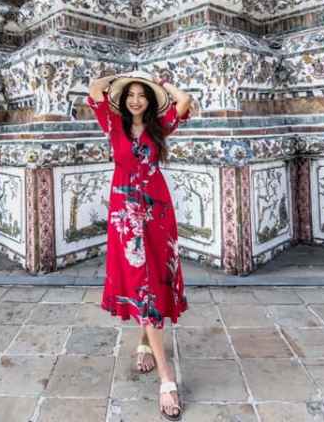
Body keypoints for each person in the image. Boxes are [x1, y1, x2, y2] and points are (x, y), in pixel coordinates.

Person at [87, 71, 193, 421]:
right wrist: (120, 77)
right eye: (130, 94)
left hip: (157, 212)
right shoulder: (112, 125)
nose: (135, 100)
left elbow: (184, 101)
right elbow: (95, 89)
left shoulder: (159, 127)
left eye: (142, 95)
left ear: (149, 101)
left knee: (152, 280)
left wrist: (161, 85)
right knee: (139, 283)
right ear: (123, 99)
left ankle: (145, 341)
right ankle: (166, 377)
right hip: (125, 217)